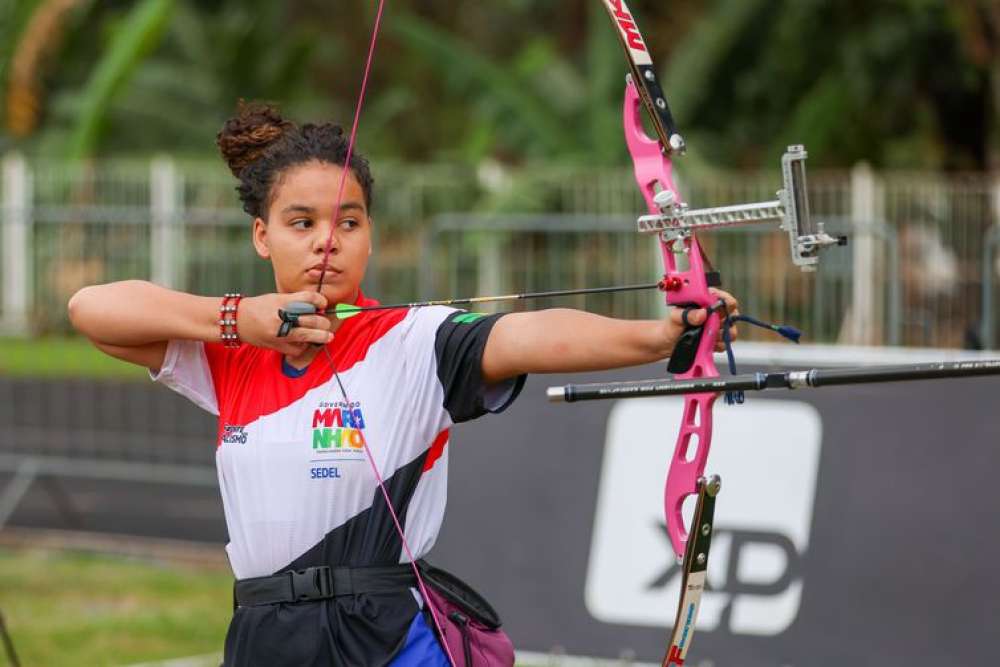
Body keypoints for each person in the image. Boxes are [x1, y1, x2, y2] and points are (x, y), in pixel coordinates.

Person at [67, 102, 740, 667]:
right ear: (261, 235)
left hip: (386, 634)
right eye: (302, 223)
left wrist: (659, 336)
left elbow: (530, 335)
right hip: (263, 634)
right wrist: (237, 319)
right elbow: (91, 310)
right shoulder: (231, 354)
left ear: (369, 235)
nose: (327, 242)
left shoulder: (416, 340)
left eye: (349, 221)